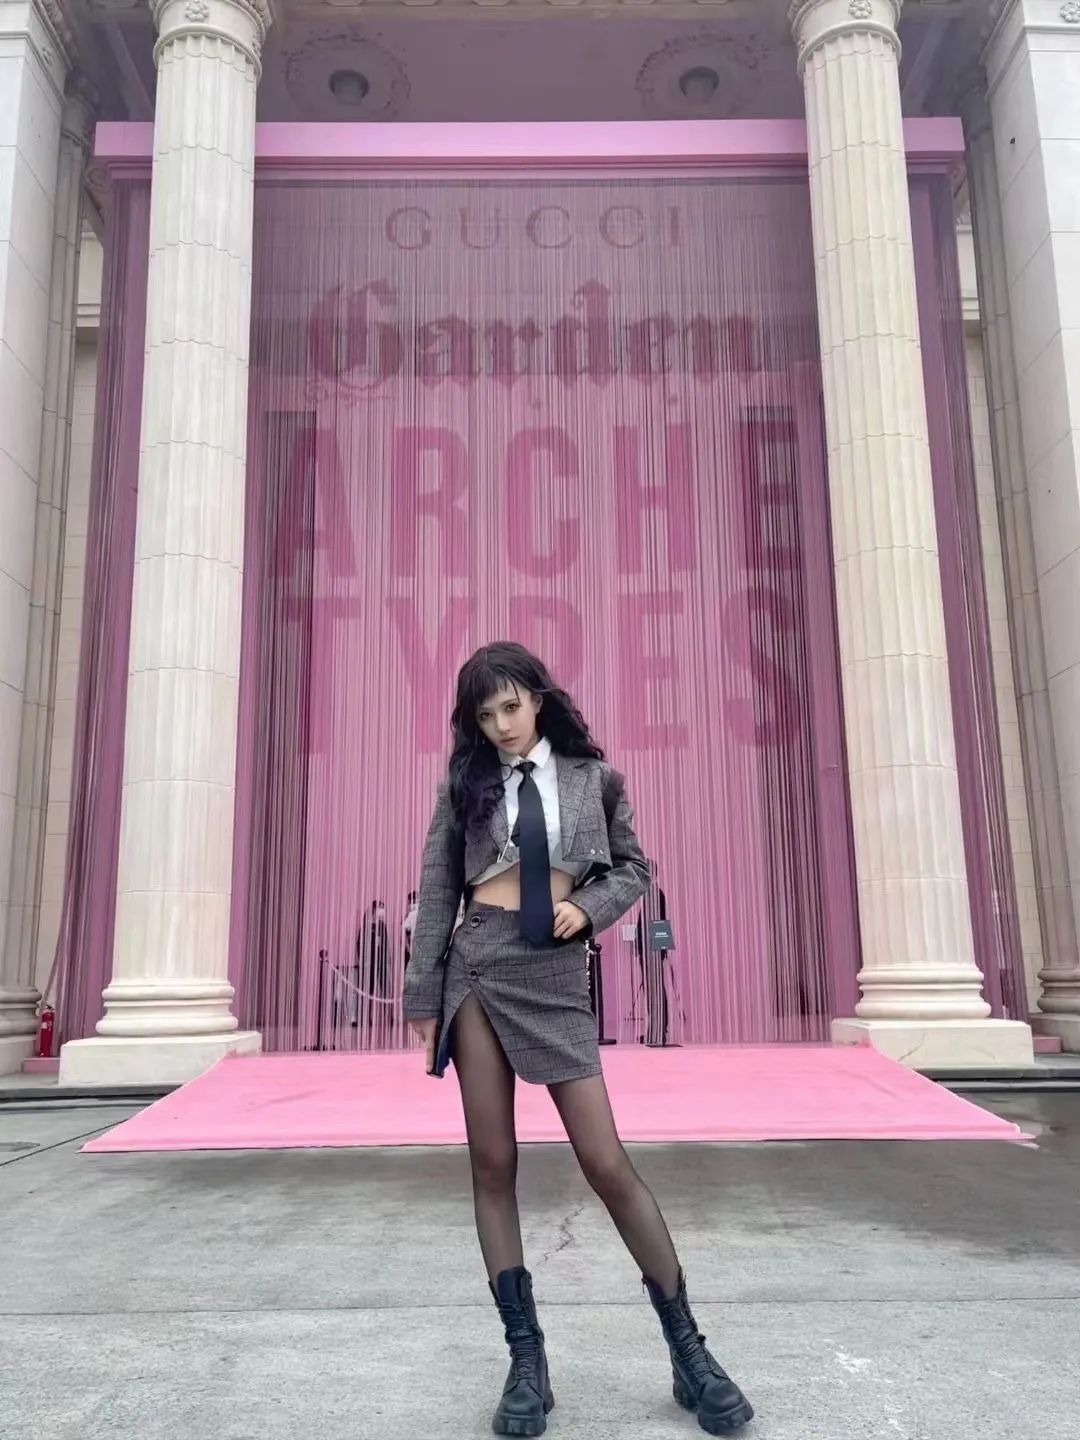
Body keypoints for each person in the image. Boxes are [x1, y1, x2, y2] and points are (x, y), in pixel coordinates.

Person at [404, 642, 753, 1438]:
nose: (502, 726)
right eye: (485, 715)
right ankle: (526, 1362)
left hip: (556, 969)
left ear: (538, 698)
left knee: (606, 1162)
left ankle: (690, 1352)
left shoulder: (594, 780)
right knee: (493, 1163)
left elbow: (633, 868)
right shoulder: (464, 786)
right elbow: (437, 890)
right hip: (477, 967)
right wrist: (423, 996)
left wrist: (588, 909)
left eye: (511, 707)